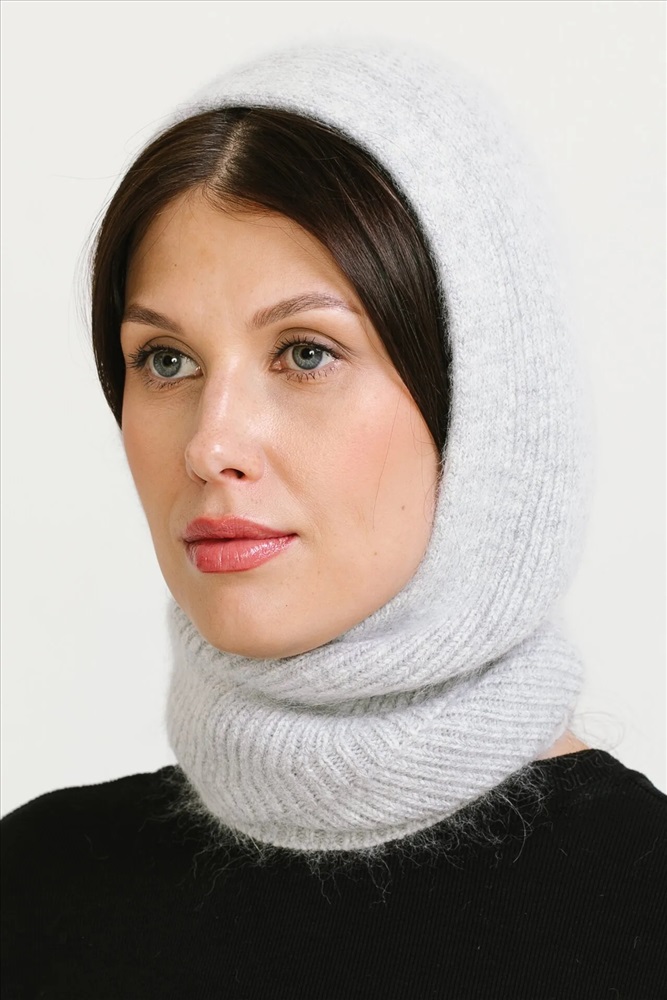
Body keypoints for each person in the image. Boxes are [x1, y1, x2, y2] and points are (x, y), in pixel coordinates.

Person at [2, 41, 665, 999]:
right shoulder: (33, 893)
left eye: (306, 352)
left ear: (483, 400)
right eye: (166, 360)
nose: (210, 444)